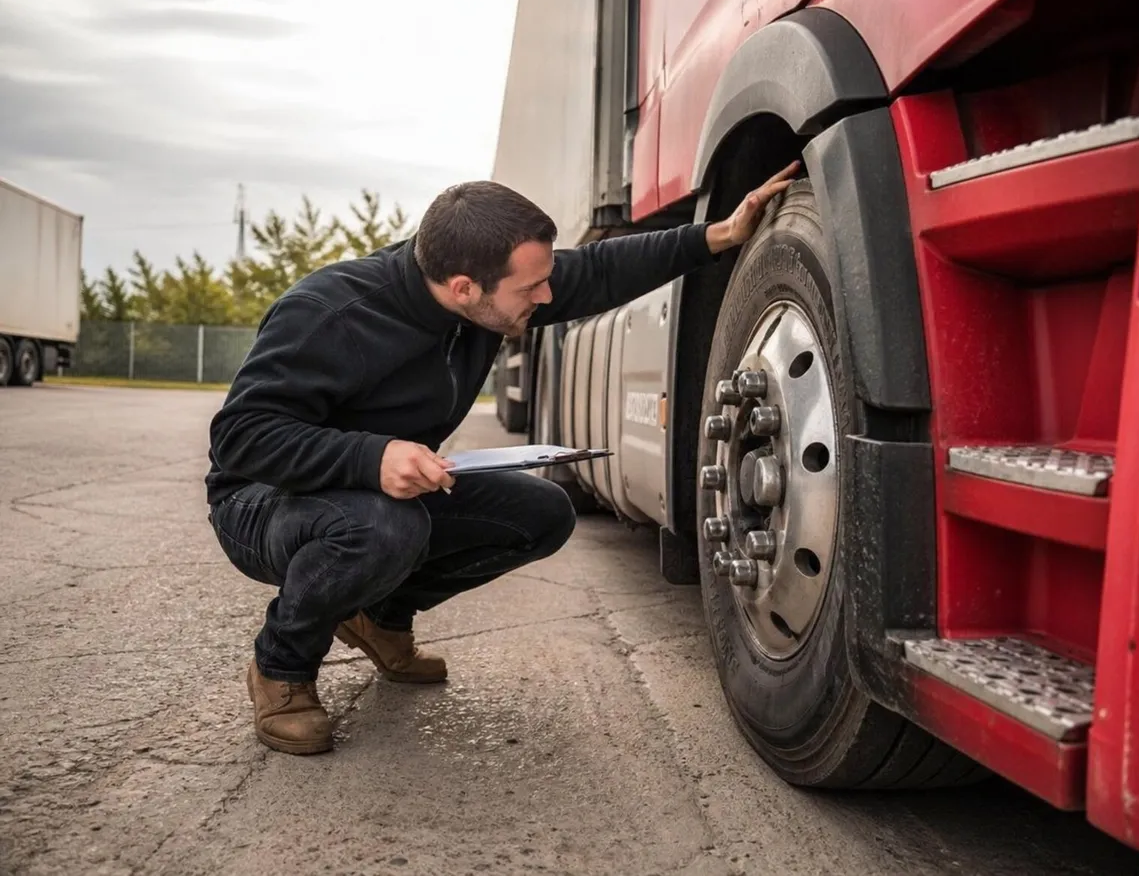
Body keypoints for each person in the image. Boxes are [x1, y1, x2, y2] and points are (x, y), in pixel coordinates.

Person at [205, 162, 799, 755]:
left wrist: (717, 234)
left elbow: (595, 270)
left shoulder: (483, 292)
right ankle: (281, 668)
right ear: (465, 287)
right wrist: (372, 456)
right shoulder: (328, 313)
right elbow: (242, 436)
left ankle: (380, 619)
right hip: (263, 502)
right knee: (384, 528)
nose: (546, 296)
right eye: (531, 288)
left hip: (375, 493)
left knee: (541, 512)